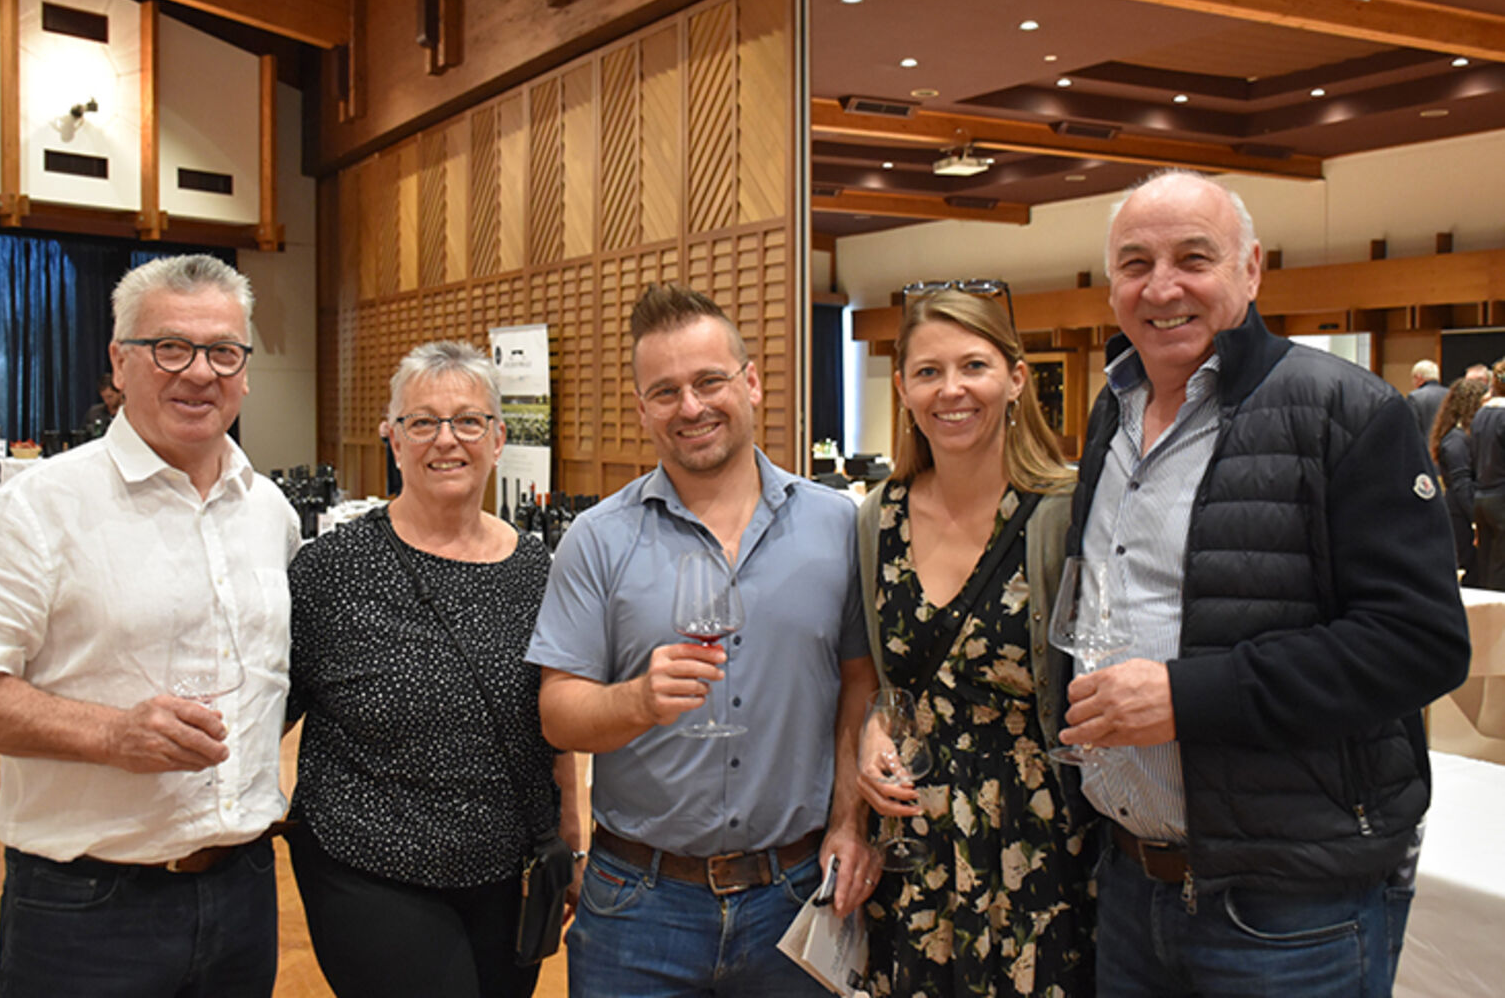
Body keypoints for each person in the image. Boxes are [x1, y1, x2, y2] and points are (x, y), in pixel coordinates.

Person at [1060, 169, 1470, 997]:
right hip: (1132, 878)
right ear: (1111, 288)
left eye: (1193, 258)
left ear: (1250, 272)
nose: (1161, 286)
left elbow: (1418, 644)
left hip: (1287, 903)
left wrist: (1186, 696)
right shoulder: (1112, 411)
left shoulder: (1346, 412)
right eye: (1135, 263)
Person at [0, 254, 300, 996]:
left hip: (243, 888)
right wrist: (111, 735)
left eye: (223, 351)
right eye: (170, 348)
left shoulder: (268, 513)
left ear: (245, 370)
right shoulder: (37, 510)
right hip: (85, 907)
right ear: (120, 362)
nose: (198, 373)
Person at [528, 283, 879, 996]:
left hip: (796, 895)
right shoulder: (597, 539)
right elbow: (557, 714)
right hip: (639, 905)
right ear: (641, 409)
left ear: (750, 383)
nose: (689, 408)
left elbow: (858, 689)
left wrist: (849, 823)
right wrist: (637, 701)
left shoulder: (837, 526)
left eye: (708, 381)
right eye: (664, 391)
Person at [285, 341, 584, 998]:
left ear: (498, 437)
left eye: (467, 421)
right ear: (393, 439)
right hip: (368, 865)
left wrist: (571, 839)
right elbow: (266, 709)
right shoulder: (330, 572)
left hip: (510, 871)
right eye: (422, 422)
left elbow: (551, 716)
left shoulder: (537, 570)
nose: (445, 440)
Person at [855, 289, 1094, 997]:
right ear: (902, 389)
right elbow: (874, 677)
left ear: (1015, 378)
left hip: (1039, 841)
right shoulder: (877, 518)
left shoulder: (1064, 514)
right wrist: (872, 731)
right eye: (927, 372)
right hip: (911, 845)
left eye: (973, 366)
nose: (950, 390)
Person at [1431, 378, 1487, 586]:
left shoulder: (1460, 436)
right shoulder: (1456, 440)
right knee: (1470, 574)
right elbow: (1462, 484)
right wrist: (1476, 520)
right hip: (1461, 517)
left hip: (1462, 513)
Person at [1469, 358, 1505, 589]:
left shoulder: (1480, 414)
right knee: (1501, 570)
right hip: (1503, 498)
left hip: (1481, 497)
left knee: (1486, 569)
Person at [1406, 359, 1446, 440]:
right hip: (1446, 446)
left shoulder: (1414, 397)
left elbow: (1411, 428)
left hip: (1424, 448)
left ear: (1418, 377)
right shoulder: (1450, 394)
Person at [82, 371, 124, 437]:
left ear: (120, 393)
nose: (107, 401)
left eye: (110, 397)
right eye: (103, 398)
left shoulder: (130, 413)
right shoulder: (94, 413)